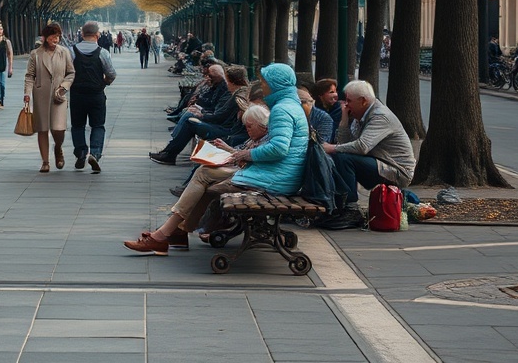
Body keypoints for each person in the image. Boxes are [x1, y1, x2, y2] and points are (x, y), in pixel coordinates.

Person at [124, 62, 309, 255]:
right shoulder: (290, 106)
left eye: (264, 83)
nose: (262, 87)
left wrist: (246, 154)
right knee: (205, 174)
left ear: (275, 83)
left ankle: (169, 234)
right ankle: (171, 233)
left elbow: (279, 148)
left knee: (206, 179)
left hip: (275, 179)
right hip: (281, 175)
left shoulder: (282, 109)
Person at [124, 104, 271, 254]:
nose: (247, 129)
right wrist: (228, 152)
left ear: (263, 126)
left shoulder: (269, 140)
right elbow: (243, 152)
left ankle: (170, 233)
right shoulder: (258, 137)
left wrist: (230, 152)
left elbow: (251, 158)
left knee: (203, 175)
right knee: (203, 178)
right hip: (244, 172)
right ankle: (174, 231)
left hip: (249, 177)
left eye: (250, 127)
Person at [318, 79, 416, 229]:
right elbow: (346, 144)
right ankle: (342, 207)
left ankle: (351, 210)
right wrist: (344, 120)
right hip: (379, 164)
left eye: (349, 101)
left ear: (363, 101)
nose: (345, 104)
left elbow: (361, 147)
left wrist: (331, 148)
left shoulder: (380, 116)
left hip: (396, 171)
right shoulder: (361, 116)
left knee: (342, 158)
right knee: (341, 156)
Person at [24, 22, 75, 173]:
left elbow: (71, 73)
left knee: (59, 128)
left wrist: (64, 87)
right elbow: (29, 76)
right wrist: (27, 94)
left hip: (59, 95)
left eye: (58, 37)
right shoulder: (36, 54)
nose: (56, 40)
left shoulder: (64, 52)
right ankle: (45, 161)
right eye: (53, 37)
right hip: (41, 95)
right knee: (42, 129)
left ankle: (58, 148)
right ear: (45, 38)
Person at [69, 21, 116, 173]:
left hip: (77, 94)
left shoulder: (72, 51)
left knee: (77, 125)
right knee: (97, 125)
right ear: (97, 35)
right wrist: (105, 82)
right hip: (96, 94)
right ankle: (95, 153)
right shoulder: (103, 52)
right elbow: (111, 74)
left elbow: (66, 71)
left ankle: (81, 152)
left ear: (82, 35)